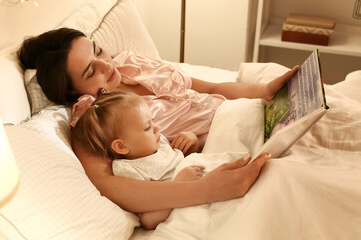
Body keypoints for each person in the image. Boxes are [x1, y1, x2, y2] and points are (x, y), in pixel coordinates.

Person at [18, 27, 297, 216]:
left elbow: (210, 89)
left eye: (98, 50)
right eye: (92, 72)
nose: (108, 65)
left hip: (242, 111)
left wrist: (264, 91)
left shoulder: (131, 62)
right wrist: (203, 190)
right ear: (74, 92)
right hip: (221, 140)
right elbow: (105, 184)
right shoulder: (93, 115)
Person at [74, 91, 207, 229]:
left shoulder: (157, 142)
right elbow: (149, 220)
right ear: (121, 146)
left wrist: (192, 141)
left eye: (153, 121)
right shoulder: (129, 170)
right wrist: (180, 184)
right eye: (147, 127)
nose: (157, 128)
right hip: (190, 200)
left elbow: (183, 162)